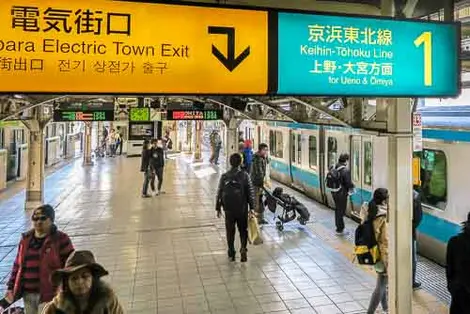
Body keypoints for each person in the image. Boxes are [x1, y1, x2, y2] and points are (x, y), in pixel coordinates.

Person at [4, 205, 74, 314]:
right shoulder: (25, 239)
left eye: (43, 218)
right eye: (35, 218)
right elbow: (17, 265)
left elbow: (70, 265)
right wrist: (10, 287)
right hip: (28, 293)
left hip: (50, 293)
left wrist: (66, 288)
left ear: (51, 220)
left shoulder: (60, 239)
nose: (38, 222)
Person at [42, 250, 124, 314]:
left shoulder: (109, 301)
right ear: (66, 283)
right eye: (74, 278)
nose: (80, 282)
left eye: (85, 276)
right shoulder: (54, 309)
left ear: (93, 279)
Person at [216, 153, 255, 262]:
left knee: (230, 231)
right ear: (240, 163)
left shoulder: (224, 176)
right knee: (243, 230)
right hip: (241, 208)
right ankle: (243, 248)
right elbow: (250, 192)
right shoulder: (245, 175)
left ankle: (231, 251)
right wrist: (252, 207)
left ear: (230, 163)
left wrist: (218, 207)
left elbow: (219, 192)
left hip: (228, 209)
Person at [361, 188, 389, 314]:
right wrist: (387, 261)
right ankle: (370, 312)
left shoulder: (368, 209)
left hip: (371, 251)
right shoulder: (383, 217)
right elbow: (385, 241)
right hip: (381, 254)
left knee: (381, 280)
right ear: (384, 201)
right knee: (381, 285)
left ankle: (385, 308)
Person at [446, 212, 470, 313]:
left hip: (458, 294)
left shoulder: (454, 242)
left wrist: (452, 288)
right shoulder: (455, 242)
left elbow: (449, 270)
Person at [331, 153, 354, 235]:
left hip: (334, 192)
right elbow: (348, 183)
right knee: (341, 211)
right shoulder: (345, 170)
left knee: (337, 209)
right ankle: (340, 229)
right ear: (346, 160)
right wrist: (352, 186)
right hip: (342, 193)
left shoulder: (335, 167)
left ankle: (339, 227)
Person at [251, 143, 269, 224]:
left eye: (266, 150)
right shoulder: (257, 159)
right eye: (264, 150)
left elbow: (265, 167)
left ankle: (261, 219)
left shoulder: (262, 157)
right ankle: (254, 221)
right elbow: (259, 173)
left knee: (260, 201)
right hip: (256, 183)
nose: (266, 152)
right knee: (256, 202)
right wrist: (263, 183)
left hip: (260, 183)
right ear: (260, 150)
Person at [412, 189, 423, 289]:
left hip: (394, 232)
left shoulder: (394, 190)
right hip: (410, 234)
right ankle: (411, 281)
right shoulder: (415, 195)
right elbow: (419, 217)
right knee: (412, 259)